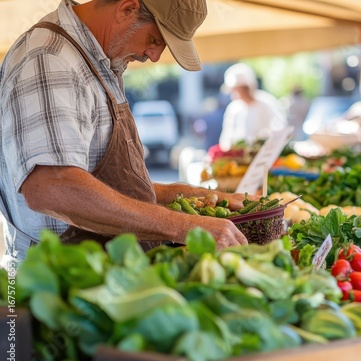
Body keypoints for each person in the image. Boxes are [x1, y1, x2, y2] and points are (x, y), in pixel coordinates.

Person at [0, 0, 250, 260]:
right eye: (155, 39)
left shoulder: (93, 60)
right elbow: (52, 186)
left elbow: (106, 184)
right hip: (60, 280)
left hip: (102, 271)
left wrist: (190, 195)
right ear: (127, 9)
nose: (154, 56)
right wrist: (182, 226)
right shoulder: (49, 58)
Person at [218, 63, 285, 151]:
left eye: (236, 88)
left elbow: (279, 130)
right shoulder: (233, 108)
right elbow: (226, 138)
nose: (233, 92)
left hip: (265, 157)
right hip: (240, 159)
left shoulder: (266, 102)